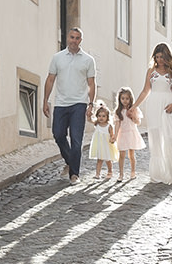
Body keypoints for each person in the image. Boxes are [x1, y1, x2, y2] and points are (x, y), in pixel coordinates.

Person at [43, 27, 96, 184]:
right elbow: (50, 79)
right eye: (72, 37)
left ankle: (74, 174)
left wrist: (91, 104)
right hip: (61, 103)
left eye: (77, 38)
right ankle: (69, 160)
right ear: (68, 38)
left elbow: (92, 83)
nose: (74, 40)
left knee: (76, 139)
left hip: (79, 104)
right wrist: (45, 100)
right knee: (58, 134)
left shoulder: (88, 60)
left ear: (81, 40)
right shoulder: (57, 58)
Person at [134, 43, 172, 185]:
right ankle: (158, 174)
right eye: (157, 57)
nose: (159, 60)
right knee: (156, 139)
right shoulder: (151, 71)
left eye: (162, 57)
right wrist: (134, 106)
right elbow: (145, 91)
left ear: (167, 56)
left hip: (170, 106)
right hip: (153, 106)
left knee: (169, 138)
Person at [113, 86, 143, 180]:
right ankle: (121, 174)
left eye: (127, 98)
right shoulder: (118, 112)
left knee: (131, 155)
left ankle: (133, 172)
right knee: (121, 155)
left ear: (130, 99)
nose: (125, 100)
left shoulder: (134, 109)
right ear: (119, 99)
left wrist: (133, 116)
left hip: (131, 133)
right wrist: (115, 136)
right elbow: (117, 125)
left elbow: (138, 122)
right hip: (122, 134)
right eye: (123, 98)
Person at [89, 101, 117, 180]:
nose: (101, 118)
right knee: (99, 160)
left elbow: (112, 135)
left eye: (103, 116)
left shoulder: (109, 126)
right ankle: (97, 174)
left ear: (107, 117)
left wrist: (112, 139)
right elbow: (89, 119)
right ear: (97, 116)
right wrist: (89, 114)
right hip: (99, 145)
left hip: (106, 145)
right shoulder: (96, 124)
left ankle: (110, 172)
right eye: (99, 116)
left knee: (108, 160)